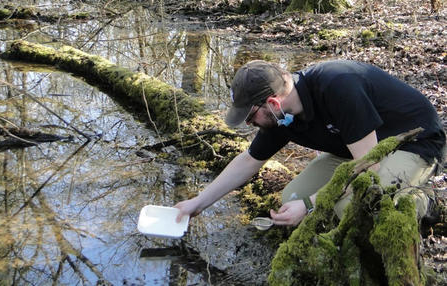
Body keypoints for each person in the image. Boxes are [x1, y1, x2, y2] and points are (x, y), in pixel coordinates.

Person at [175, 59, 446, 227]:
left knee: (345, 209)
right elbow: (248, 161)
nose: (249, 124)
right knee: (289, 200)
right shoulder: (281, 116)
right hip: (360, 150)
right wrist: (197, 204)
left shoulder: (338, 86)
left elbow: (369, 165)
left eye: (250, 116)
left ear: (272, 102)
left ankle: (423, 201)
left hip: (415, 143)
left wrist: (310, 205)